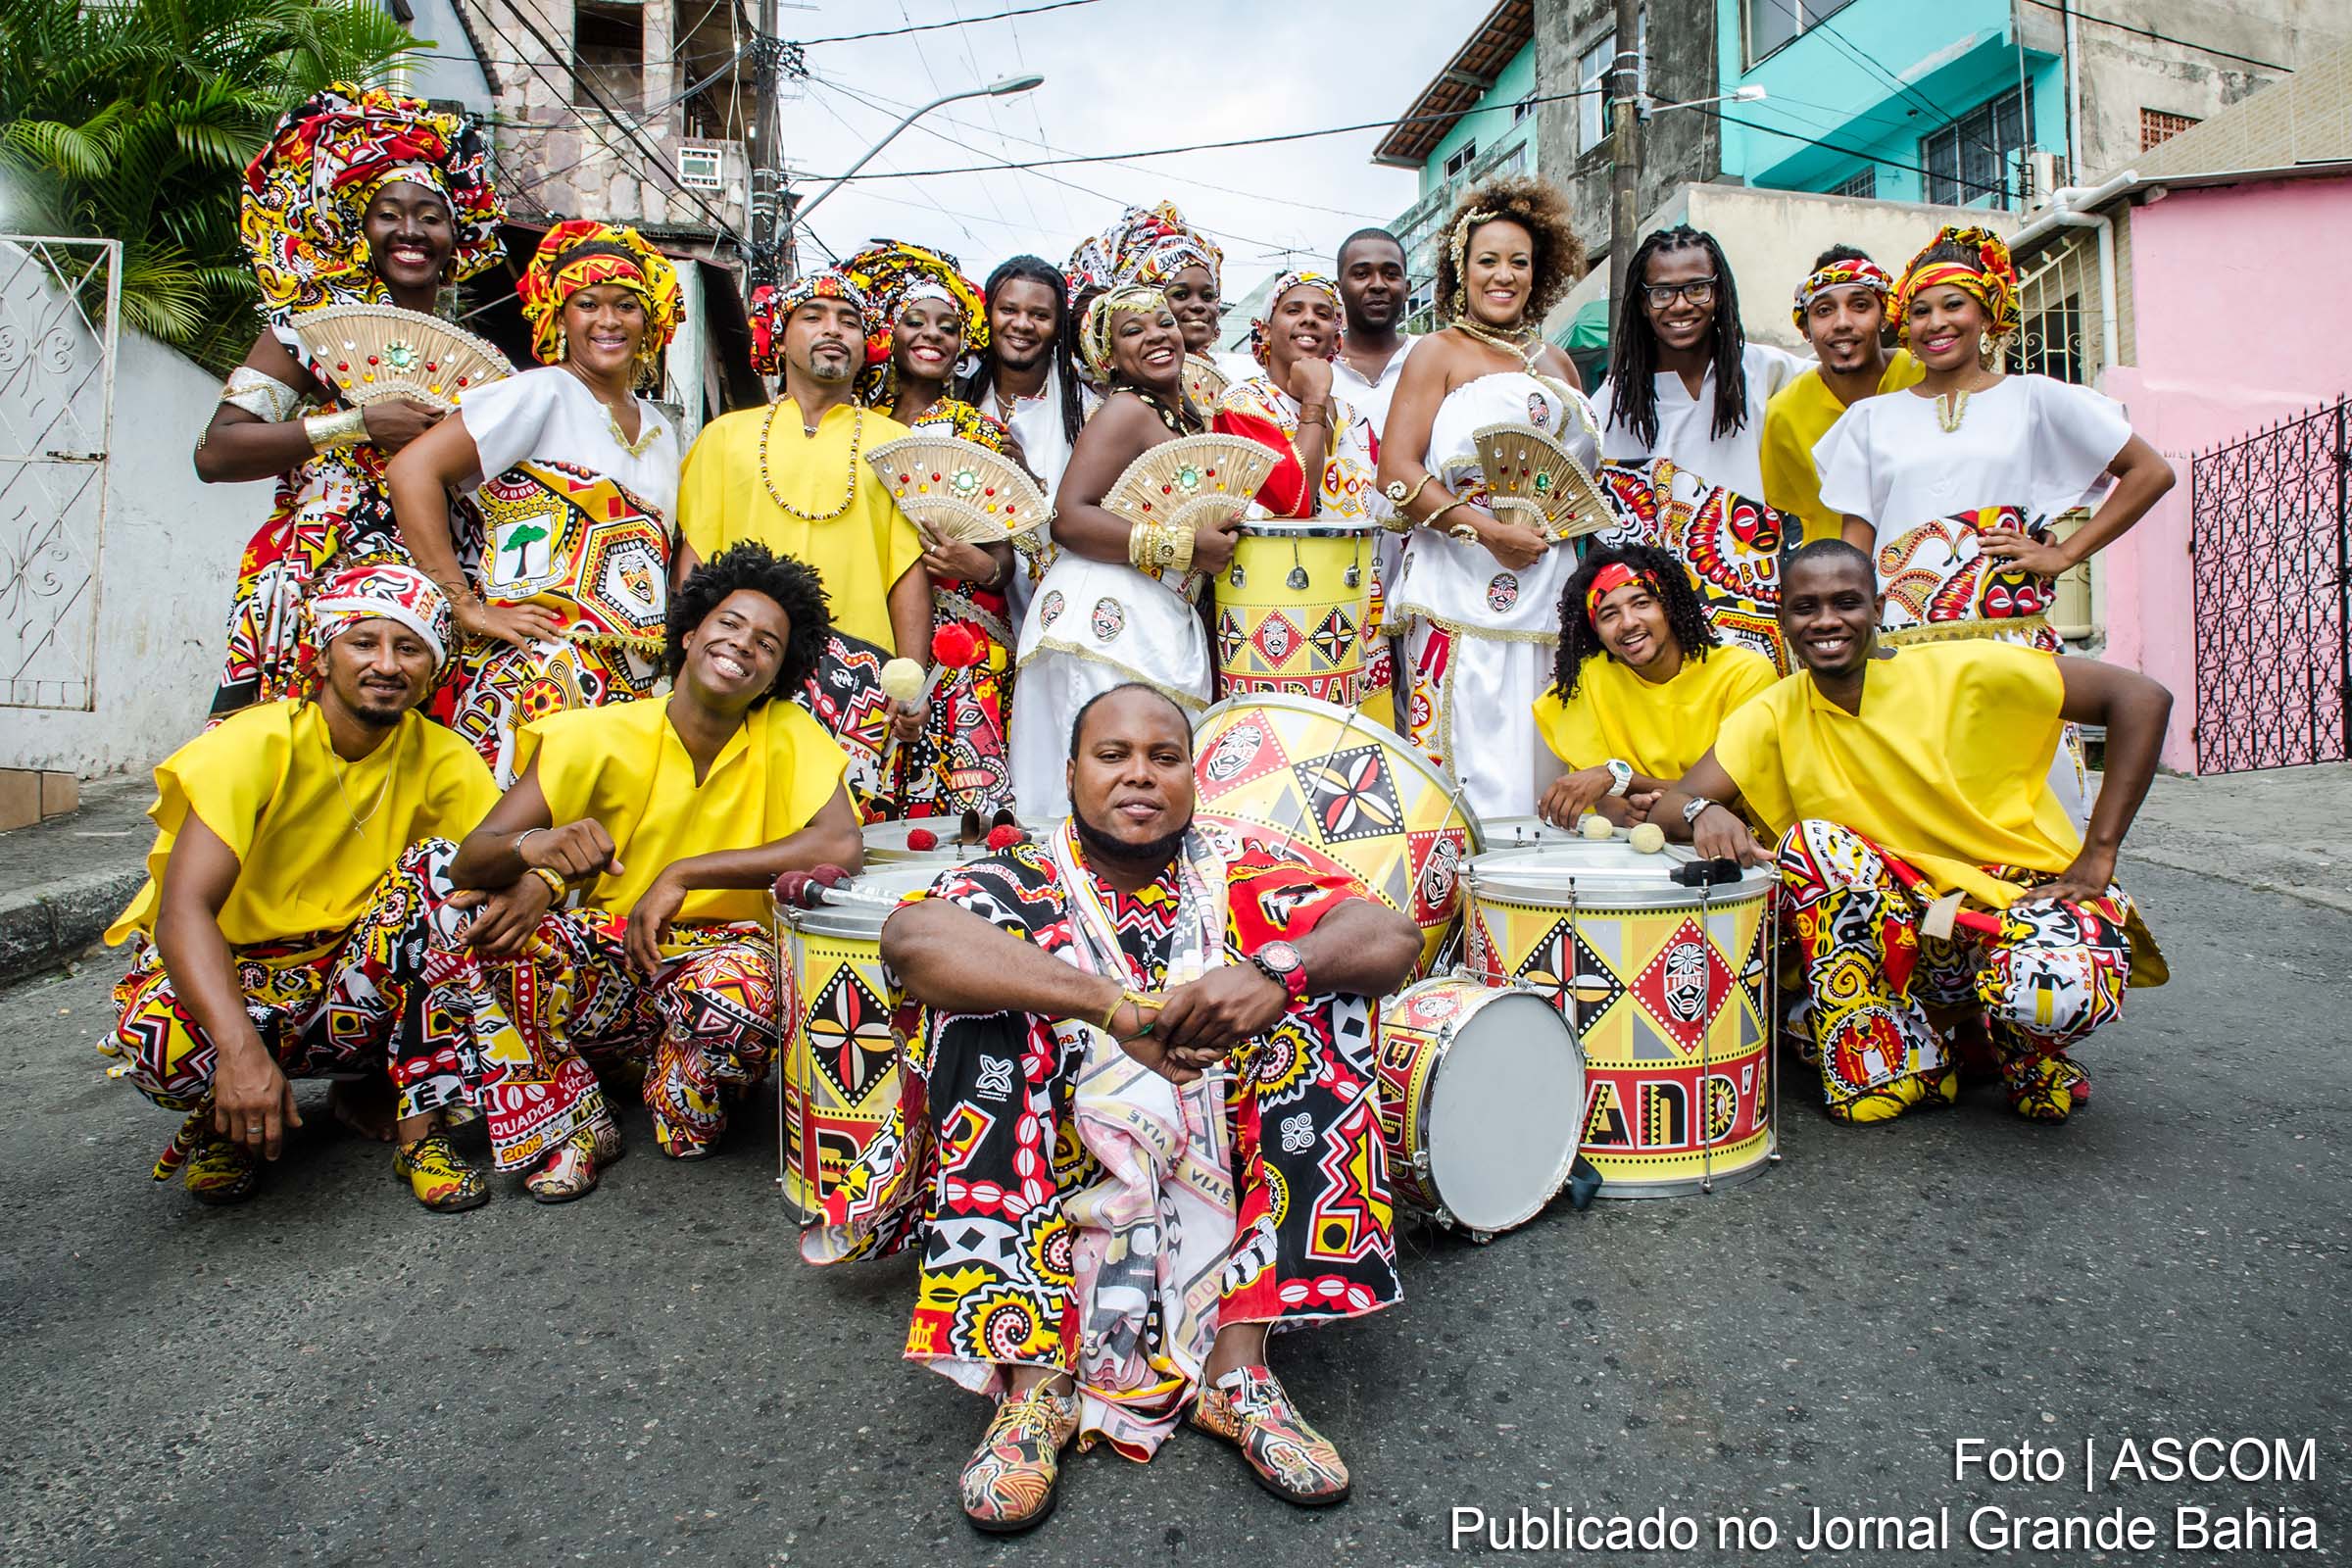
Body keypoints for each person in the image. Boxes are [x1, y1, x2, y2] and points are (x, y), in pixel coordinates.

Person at [805, 683, 1422, 1532]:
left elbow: (1391, 937)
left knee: (1321, 1008)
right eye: (1113, 756)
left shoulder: (1240, 864)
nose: (1140, 777)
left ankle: (1237, 1373)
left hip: (1217, 1140)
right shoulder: (1017, 873)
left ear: (1193, 780)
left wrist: (1280, 973)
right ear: (1069, 775)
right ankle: (1033, 1385)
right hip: (1056, 1148)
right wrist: (1110, 1010)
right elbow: (913, 943)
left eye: (1164, 758)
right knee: (980, 1029)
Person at [1653, 540, 2171, 1126]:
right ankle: (1905, 1062)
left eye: (1846, 602)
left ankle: (2021, 1045)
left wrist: (2098, 853)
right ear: (1783, 618)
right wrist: (1703, 810)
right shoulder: (1773, 711)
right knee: (1813, 845)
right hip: (1908, 925)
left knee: (2059, 987)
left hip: (2014, 904)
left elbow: (2141, 698)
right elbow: (1672, 804)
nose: (1826, 621)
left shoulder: (1962, 668)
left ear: (1877, 609)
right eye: (1806, 607)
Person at [102, 563, 529, 1210]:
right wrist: (239, 1050)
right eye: (364, 642)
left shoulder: (446, 759)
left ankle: (418, 1131)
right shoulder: (253, 743)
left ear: (433, 668)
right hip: (243, 977)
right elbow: (184, 909)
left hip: (350, 984)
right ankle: (232, 1120)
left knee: (455, 873)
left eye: (409, 647)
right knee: (159, 1039)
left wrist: (543, 872)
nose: (387, 664)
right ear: (324, 655)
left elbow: (488, 879)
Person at [445, 543, 865, 1177]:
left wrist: (683, 873)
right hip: (611, 958)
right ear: (691, 634)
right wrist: (535, 859)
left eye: (768, 643)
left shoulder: (788, 731)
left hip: (719, 965)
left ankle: (668, 1075)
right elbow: (468, 861)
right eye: (729, 624)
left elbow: (839, 845)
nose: (745, 644)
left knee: (709, 1075)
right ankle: (574, 1117)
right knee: (471, 922)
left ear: (777, 674)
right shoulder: (596, 733)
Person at [1815, 224, 2177, 822]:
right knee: (1917, 807)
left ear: (1988, 313)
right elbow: (1859, 539)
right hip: (1903, 644)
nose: (1937, 323)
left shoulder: (2037, 400)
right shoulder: (1871, 420)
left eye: (1954, 305)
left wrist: (2064, 555)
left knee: (2030, 799)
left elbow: (2150, 472)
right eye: (1922, 310)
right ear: (1904, 322)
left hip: (2008, 635)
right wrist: (1849, 626)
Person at [199, 83, 506, 717]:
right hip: (315, 577)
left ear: (455, 237)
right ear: (357, 228)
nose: (410, 230)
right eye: (388, 213)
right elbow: (217, 453)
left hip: (436, 585)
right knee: (291, 771)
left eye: (431, 215)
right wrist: (357, 424)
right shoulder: (304, 332)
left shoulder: (473, 363)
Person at [387, 220, 684, 784]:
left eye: (626, 304)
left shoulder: (662, 431)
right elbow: (413, 470)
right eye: (587, 304)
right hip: (535, 675)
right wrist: (464, 604)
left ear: (650, 318)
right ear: (558, 314)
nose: (607, 321)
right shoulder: (539, 391)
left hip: (635, 686)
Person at [1376, 175, 1595, 821]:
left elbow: (1582, 481)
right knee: (1465, 759)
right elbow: (1395, 470)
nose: (1504, 275)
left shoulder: (1559, 363)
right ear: (1460, 270)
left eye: (1519, 262)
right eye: (1488, 261)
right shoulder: (1437, 352)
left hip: (1551, 591)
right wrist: (1486, 530)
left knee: (1543, 754)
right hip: (1458, 590)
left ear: (1540, 272)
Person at [674, 269, 931, 817]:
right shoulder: (725, 436)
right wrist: (684, 661)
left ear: (869, 346)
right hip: (740, 659)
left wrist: (912, 680)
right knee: (725, 819)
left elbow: (908, 571)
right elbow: (695, 561)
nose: (832, 329)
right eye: (812, 317)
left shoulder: (899, 446)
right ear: (779, 338)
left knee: (836, 839)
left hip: (860, 677)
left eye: (849, 320)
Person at [1008, 286, 1228, 817]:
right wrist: (1184, 545)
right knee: (1093, 787)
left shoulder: (1184, 415)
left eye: (1164, 322)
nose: (1156, 335)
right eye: (1133, 330)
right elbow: (1069, 517)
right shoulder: (1127, 410)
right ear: (1108, 357)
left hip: (1153, 607)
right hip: (1103, 616)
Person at [845, 239, 1024, 819]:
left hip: (964, 647)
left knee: (971, 809)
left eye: (948, 327)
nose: (932, 335)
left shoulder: (982, 432)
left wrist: (983, 567)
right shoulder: (851, 427)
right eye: (915, 321)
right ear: (887, 334)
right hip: (868, 628)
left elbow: (1008, 550)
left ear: (961, 347)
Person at [1592, 225, 1808, 668]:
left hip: (1759, 609)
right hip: (1656, 628)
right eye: (1662, 293)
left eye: (1697, 288)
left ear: (1721, 292)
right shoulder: (1615, 401)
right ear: (1641, 301)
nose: (1681, 305)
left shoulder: (1769, 372)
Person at [1211, 270, 1395, 718]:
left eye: (1323, 314)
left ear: (1337, 334)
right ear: (1265, 332)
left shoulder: (1353, 416)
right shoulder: (1242, 405)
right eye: (1293, 310)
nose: (1309, 321)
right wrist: (1313, 402)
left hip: (1355, 610)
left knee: (1354, 755)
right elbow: (1293, 502)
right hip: (1275, 614)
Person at [1533, 543, 1776, 830]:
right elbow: (1605, 801)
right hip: (1631, 843)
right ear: (1595, 631)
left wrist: (1618, 778)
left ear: (1668, 606)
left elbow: (1728, 796)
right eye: (1609, 614)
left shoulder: (1744, 673)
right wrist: (1640, 814)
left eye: (1642, 603)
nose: (1628, 623)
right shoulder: (1589, 679)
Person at [1757, 246, 1923, 544]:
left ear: (1884, 315)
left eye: (1860, 305)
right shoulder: (1782, 413)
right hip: (1835, 579)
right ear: (1805, 329)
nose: (1842, 322)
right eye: (1823, 310)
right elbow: (1780, 511)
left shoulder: (1924, 377)